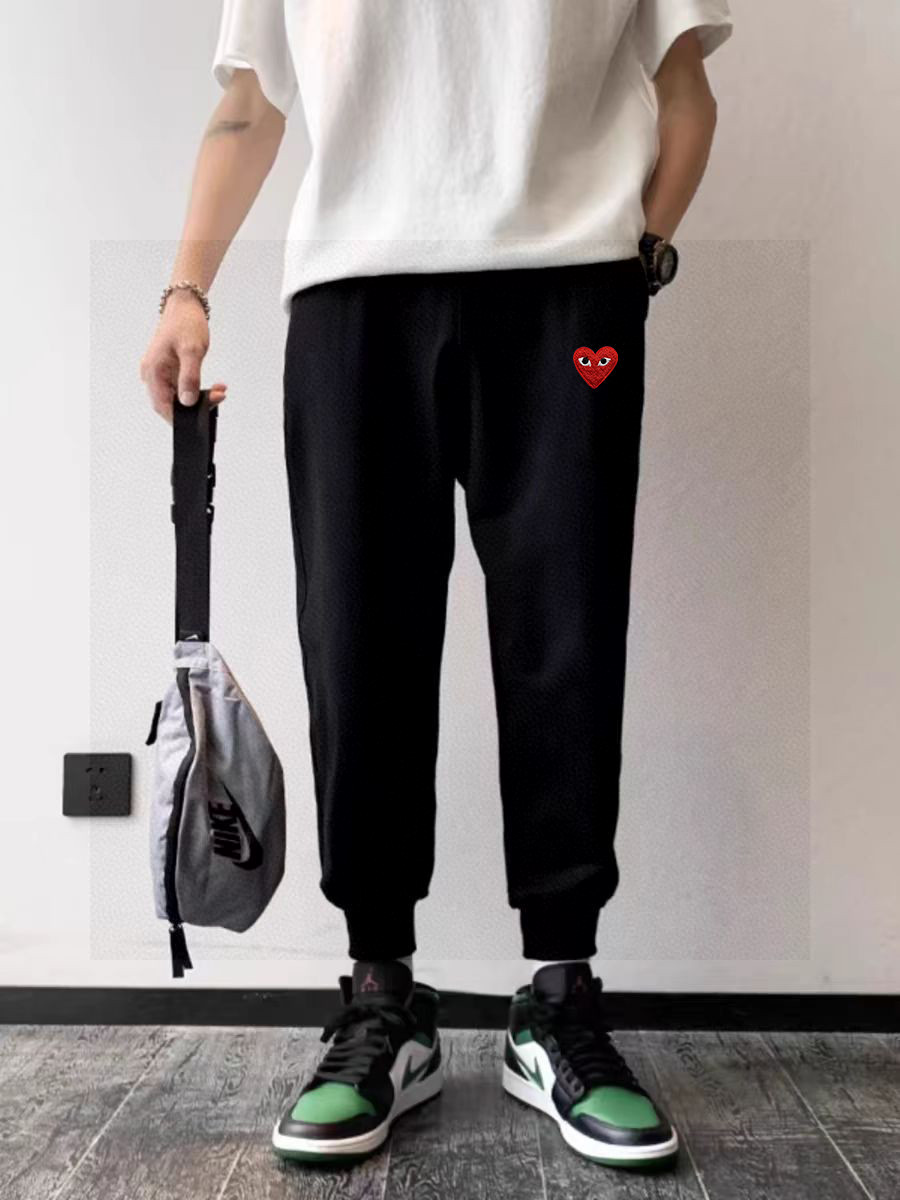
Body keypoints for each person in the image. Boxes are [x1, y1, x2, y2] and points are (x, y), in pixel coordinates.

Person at [141, 0, 731, 1171]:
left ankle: (558, 998)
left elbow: (686, 96)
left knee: (566, 638)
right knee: (359, 647)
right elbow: (250, 107)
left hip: (569, 286)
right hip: (352, 296)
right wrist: (184, 291)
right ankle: (382, 1000)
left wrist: (640, 262)